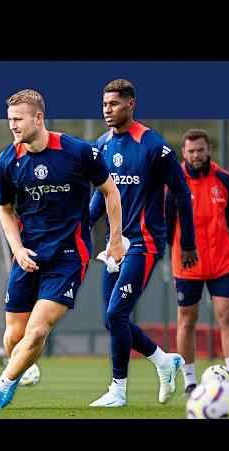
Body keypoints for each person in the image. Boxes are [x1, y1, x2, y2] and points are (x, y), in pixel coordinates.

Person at [0, 89, 125, 410]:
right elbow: (5, 210)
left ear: (38, 118)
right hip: (27, 255)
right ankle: (21, 366)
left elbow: (110, 192)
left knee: (37, 329)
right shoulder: (6, 160)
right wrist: (16, 249)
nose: (13, 126)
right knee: (14, 337)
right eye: (9, 121)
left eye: (18, 119)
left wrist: (115, 239)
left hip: (68, 257)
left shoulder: (78, 152)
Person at [88, 79, 199, 407]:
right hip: (114, 246)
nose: (107, 110)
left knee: (116, 313)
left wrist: (188, 243)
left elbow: (181, 193)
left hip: (145, 243)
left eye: (114, 104)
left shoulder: (153, 146)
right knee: (112, 318)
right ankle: (166, 361)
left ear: (130, 105)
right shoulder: (102, 145)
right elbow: (103, 195)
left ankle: (117, 391)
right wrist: (80, 227)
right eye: (105, 104)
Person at [165, 128, 229, 393]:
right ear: (183, 153)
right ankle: (190, 381)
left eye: (200, 150)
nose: (196, 155)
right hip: (187, 264)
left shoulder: (224, 179)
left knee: (227, 315)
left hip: (221, 262)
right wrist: (182, 250)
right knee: (187, 319)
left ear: (210, 150)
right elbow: (167, 223)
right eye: (191, 151)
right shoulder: (175, 183)